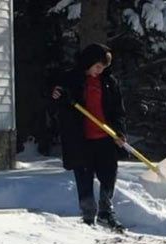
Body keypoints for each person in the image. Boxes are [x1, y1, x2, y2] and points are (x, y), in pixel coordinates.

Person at [51, 43, 127, 230]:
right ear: (89, 62)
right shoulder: (70, 79)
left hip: (106, 138)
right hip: (80, 139)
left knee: (109, 175)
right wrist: (57, 97)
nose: (100, 71)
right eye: (98, 66)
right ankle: (87, 216)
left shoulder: (109, 83)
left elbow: (118, 111)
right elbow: (54, 102)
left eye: (103, 68)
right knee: (84, 178)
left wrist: (119, 132)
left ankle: (105, 212)